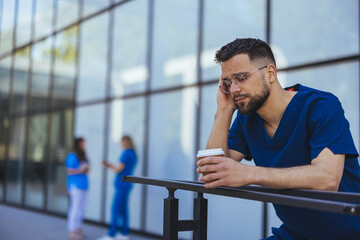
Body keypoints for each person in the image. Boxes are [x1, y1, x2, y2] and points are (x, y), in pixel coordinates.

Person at [196, 38, 360, 239]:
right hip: (294, 234)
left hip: (348, 234)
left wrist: (251, 175)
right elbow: (212, 171)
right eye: (229, 83)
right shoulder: (246, 118)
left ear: (270, 73)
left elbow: (327, 179)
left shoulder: (321, 106)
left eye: (241, 78)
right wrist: (223, 110)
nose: (234, 89)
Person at [98, 135, 138, 240]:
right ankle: (124, 233)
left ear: (125, 142)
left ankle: (112, 234)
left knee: (115, 209)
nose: (120, 144)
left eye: (121, 142)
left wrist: (107, 165)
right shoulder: (133, 154)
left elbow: (118, 169)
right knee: (124, 209)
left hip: (122, 185)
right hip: (127, 184)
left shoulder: (126, 153)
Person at [66, 137, 90, 240]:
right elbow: (69, 171)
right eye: (83, 143)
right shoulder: (72, 156)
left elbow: (87, 170)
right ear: (78, 144)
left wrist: (85, 169)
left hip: (84, 185)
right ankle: (72, 230)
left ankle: (78, 228)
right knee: (75, 208)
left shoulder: (83, 156)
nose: (84, 145)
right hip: (75, 186)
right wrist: (81, 170)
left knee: (82, 208)